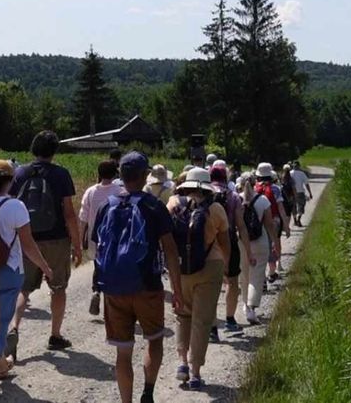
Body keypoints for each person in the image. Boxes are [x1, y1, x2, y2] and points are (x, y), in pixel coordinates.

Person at [92, 152, 185, 403]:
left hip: (113, 288)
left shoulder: (106, 205)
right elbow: (170, 250)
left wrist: (97, 285)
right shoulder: (153, 206)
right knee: (154, 340)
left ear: (120, 175)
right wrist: (177, 290)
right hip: (148, 285)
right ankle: (148, 392)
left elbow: (97, 248)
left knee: (123, 353)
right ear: (144, 175)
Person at [0, 160, 53, 397]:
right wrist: (44, 265)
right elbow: (27, 243)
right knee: (0, 323)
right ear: (8, 182)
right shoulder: (16, 206)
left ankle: (2, 365)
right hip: (8, 270)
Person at [9, 130, 83, 351]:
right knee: (58, 287)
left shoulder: (20, 173)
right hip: (56, 239)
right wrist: (77, 245)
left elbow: (12, 205)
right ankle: (55, 335)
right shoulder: (61, 174)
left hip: (27, 238)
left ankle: (13, 327)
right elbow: (69, 213)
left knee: (23, 289)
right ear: (54, 151)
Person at [167, 168, 228, 390]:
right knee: (202, 321)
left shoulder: (173, 203)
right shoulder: (216, 208)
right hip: (210, 267)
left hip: (182, 267)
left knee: (182, 315)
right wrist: (227, 269)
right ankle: (195, 372)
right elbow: (225, 241)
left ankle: (182, 364)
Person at [78, 160, 123, 316]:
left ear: (99, 173)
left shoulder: (91, 192)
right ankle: (111, 302)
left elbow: (83, 218)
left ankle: (96, 290)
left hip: (94, 237)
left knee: (98, 266)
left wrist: (80, 239)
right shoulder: (120, 191)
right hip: (115, 238)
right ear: (115, 174)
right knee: (114, 268)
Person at [237, 174, 277, 325]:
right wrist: (274, 242)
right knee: (257, 276)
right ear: (255, 183)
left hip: (242, 241)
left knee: (244, 275)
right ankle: (251, 308)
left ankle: (245, 305)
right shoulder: (263, 200)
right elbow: (269, 224)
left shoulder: (237, 199)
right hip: (259, 240)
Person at [209, 165, 243, 335]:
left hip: (209, 243)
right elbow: (240, 224)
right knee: (232, 281)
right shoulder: (233, 196)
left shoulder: (205, 194)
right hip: (229, 240)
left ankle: (213, 327)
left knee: (211, 284)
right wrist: (248, 248)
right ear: (225, 177)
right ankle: (230, 319)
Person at [253, 163, 285, 282]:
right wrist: (286, 225)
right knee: (271, 246)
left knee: (259, 248)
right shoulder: (276, 188)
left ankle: (262, 279)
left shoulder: (254, 188)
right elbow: (281, 208)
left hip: (258, 221)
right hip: (273, 220)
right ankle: (271, 272)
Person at [289, 162, 312, 227]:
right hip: (300, 192)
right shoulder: (302, 173)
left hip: (292, 193)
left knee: (293, 207)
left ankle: (295, 220)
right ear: (299, 166)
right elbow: (306, 184)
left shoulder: (290, 173)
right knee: (301, 206)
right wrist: (310, 193)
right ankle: (299, 219)